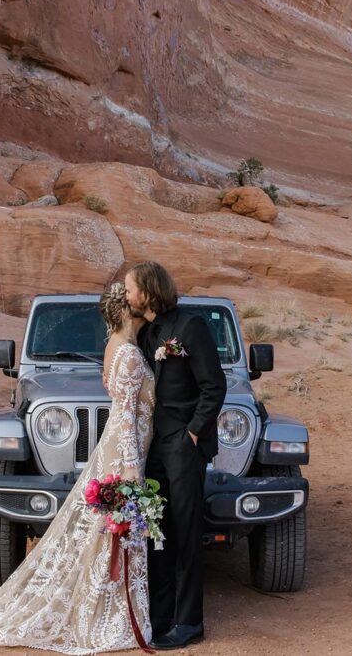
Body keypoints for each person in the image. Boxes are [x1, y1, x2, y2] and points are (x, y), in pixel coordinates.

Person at [0, 282, 156, 654]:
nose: (143, 303)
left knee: (103, 531)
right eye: (137, 300)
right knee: (113, 531)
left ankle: (106, 603)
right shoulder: (128, 354)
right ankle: (110, 614)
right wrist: (130, 467)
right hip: (126, 452)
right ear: (126, 310)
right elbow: (124, 415)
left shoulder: (117, 348)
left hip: (121, 448)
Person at [125, 261, 226, 650]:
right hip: (154, 450)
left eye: (131, 288)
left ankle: (190, 623)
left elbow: (213, 386)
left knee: (185, 534)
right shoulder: (147, 332)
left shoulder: (191, 327)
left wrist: (194, 434)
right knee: (159, 534)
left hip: (184, 446)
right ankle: (161, 617)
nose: (128, 294)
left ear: (148, 290)